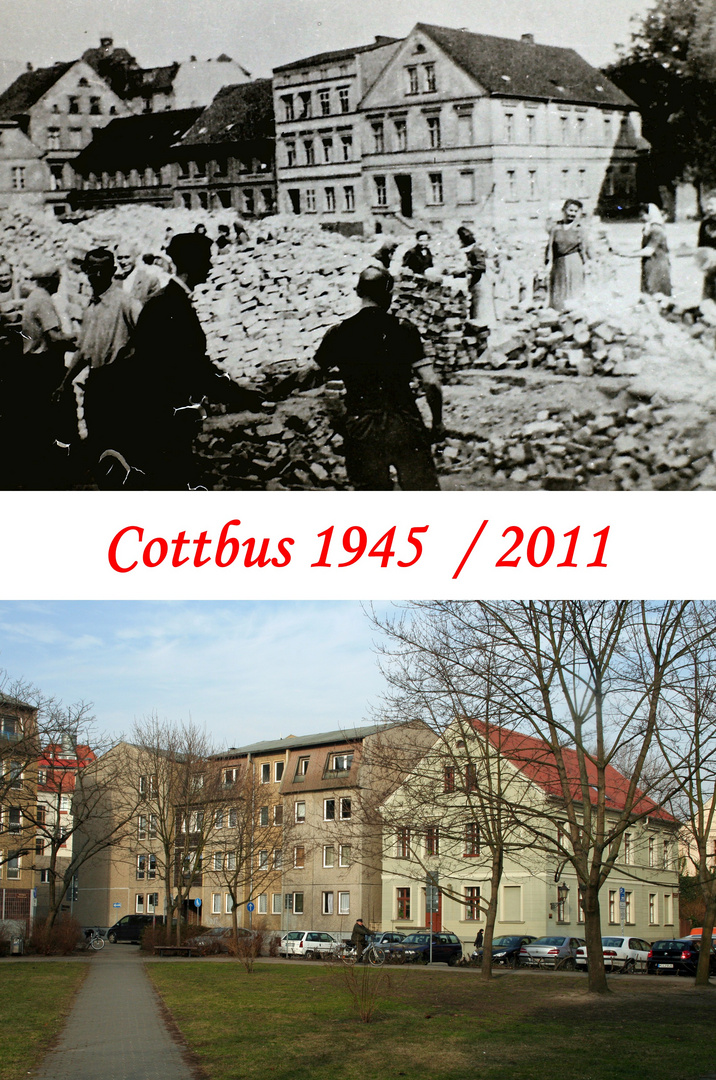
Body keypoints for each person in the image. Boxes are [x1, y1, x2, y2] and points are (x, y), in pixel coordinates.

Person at [89, 232, 262, 488]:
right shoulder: (171, 305)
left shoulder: (168, 301)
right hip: (161, 416)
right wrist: (239, 395)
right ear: (194, 263)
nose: (211, 266)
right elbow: (192, 367)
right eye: (207, 259)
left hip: (162, 411)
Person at [314, 266, 443, 490]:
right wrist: (438, 421)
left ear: (357, 292)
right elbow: (431, 381)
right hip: (404, 423)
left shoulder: (338, 333)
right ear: (389, 294)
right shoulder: (404, 329)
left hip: (362, 425)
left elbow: (312, 374)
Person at [57, 248, 140, 477]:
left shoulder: (125, 302)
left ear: (113, 271)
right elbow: (84, 351)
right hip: (97, 380)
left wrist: (129, 359)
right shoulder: (91, 308)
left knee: (121, 443)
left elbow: (148, 336)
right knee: (98, 441)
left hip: (120, 381)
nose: (96, 276)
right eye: (92, 270)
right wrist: (65, 382)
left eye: (102, 271)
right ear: (86, 271)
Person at [18, 260, 76, 485]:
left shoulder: (34, 297)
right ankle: (56, 469)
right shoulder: (44, 301)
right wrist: (78, 341)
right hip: (44, 365)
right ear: (52, 280)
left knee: (40, 416)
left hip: (33, 363)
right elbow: (54, 338)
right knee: (59, 414)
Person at [545, 199, 589, 311]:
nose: (572, 213)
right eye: (570, 210)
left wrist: (587, 264)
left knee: (574, 288)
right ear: (564, 210)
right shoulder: (555, 228)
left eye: (575, 211)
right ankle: (558, 313)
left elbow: (584, 248)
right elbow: (550, 247)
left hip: (574, 261)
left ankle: (574, 314)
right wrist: (548, 263)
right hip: (558, 262)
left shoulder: (579, 229)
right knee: (558, 287)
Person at [457, 226, 496, 347]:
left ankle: (485, 344)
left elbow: (481, 267)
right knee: (475, 312)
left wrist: (466, 269)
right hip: (475, 285)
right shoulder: (470, 251)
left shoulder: (476, 250)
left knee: (481, 314)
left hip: (481, 285)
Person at [639, 203, 671, 297]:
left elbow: (648, 250)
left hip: (657, 265)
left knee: (655, 294)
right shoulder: (649, 228)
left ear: (650, 215)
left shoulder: (656, 229)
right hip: (651, 263)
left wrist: (624, 254)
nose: (641, 218)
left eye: (643, 215)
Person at [697, 195, 716, 302]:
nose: (708, 207)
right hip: (710, 265)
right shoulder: (705, 223)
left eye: (712, 204)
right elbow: (700, 245)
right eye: (707, 204)